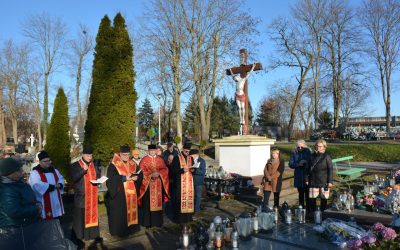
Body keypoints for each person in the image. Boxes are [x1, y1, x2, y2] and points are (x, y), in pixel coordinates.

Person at [106, 145, 142, 237]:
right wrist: (124, 178)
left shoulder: (133, 163)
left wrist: (137, 178)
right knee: (121, 214)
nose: (126, 156)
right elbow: (111, 179)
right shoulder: (113, 165)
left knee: (131, 213)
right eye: (124, 155)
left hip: (131, 194)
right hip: (119, 195)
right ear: (120, 154)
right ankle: (120, 231)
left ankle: (132, 229)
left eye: (128, 154)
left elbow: (140, 174)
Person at [70, 146, 101, 247]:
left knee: (92, 215)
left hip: (92, 195)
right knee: (79, 219)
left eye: (91, 155)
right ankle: (78, 238)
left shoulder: (93, 164)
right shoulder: (75, 165)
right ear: (83, 155)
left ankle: (92, 234)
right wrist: (83, 170)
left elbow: (97, 175)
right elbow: (74, 178)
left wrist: (99, 180)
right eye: (87, 155)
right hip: (81, 197)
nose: (89, 157)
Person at [0, 157, 41, 228]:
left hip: (25, 225)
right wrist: (36, 208)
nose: (22, 171)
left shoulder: (17, 182)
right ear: (10, 173)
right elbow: (14, 212)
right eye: (19, 170)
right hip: (15, 229)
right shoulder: (7, 189)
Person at [138, 145, 169, 228]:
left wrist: (159, 173)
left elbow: (165, 169)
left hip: (158, 184)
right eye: (151, 150)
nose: (152, 152)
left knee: (158, 203)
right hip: (148, 186)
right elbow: (141, 171)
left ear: (156, 151)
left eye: (154, 150)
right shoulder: (144, 160)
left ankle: (158, 222)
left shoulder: (160, 159)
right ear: (148, 151)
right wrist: (150, 174)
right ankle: (148, 223)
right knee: (147, 204)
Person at [28, 151, 65, 220]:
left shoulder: (54, 170)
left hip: (56, 198)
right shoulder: (35, 172)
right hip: (44, 200)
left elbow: (61, 178)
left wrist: (60, 184)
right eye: (45, 161)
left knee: (57, 219)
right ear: (40, 162)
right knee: (47, 220)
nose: (48, 162)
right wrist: (53, 186)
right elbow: (36, 185)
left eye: (49, 160)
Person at [305, 139, 333, 212]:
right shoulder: (311, 156)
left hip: (324, 182)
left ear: (324, 147)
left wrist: (330, 182)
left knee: (323, 200)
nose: (318, 148)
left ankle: (323, 215)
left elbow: (330, 169)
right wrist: (306, 179)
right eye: (317, 146)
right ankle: (313, 215)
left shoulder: (327, 156)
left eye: (320, 146)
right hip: (313, 181)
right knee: (312, 201)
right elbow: (307, 169)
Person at [170, 143, 195, 223]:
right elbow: (173, 171)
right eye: (186, 151)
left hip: (189, 184)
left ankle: (188, 218)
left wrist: (193, 170)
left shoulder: (191, 158)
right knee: (180, 201)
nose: (187, 153)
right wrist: (182, 170)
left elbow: (193, 169)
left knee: (189, 200)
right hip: (180, 184)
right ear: (183, 149)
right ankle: (179, 219)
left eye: (188, 151)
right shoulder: (177, 158)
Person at [289, 140, 311, 209]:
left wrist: (306, 162)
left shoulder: (308, 152)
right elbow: (291, 164)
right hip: (298, 176)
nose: (300, 148)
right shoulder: (294, 152)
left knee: (308, 194)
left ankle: (309, 209)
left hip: (307, 175)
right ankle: (301, 209)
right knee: (300, 194)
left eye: (302, 147)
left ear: (305, 146)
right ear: (296, 147)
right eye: (298, 147)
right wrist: (298, 164)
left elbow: (312, 162)